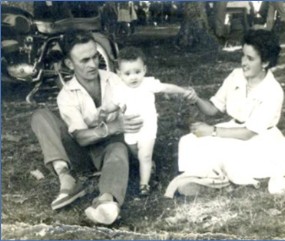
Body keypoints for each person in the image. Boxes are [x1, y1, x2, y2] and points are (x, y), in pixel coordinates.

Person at [176, 29, 285, 194]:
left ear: (265, 62)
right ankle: (204, 179)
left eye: (250, 58)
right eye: (243, 56)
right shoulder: (236, 76)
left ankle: (212, 182)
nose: (243, 62)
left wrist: (211, 131)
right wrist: (196, 98)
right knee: (188, 141)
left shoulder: (273, 91)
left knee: (229, 154)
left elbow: (248, 133)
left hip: (258, 140)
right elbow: (213, 109)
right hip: (232, 129)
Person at [30, 30, 143, 225]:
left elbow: (136, 115)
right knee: (40, 116)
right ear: (69, 63)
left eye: (94, 57)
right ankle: (66, 179)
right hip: (81, 153)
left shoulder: (115, 80)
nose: (92, 64)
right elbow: (80, 138)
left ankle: (106, 202)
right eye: (84, 60)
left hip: (112, 149)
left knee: (118, 148)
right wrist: (112, 127)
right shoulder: (66, 95)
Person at [100, 47, 191, 196]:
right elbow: (113, 105)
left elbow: (166, 88)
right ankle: (149, 166)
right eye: (127, 74)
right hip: (130, 129)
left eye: (137, 72)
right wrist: (103, 110)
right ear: (119, 74)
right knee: (135, 152)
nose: (133, 77)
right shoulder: (120, 89)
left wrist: (182, 91)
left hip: (148, 127)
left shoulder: (148, 84)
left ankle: (144, 185)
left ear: (144, 69)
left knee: (145, 155)